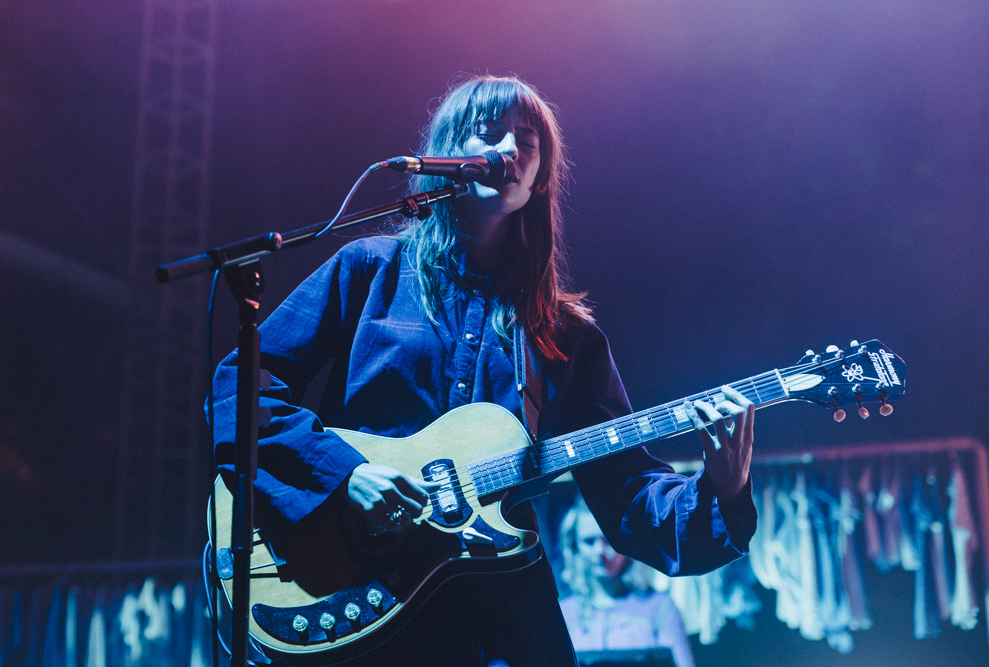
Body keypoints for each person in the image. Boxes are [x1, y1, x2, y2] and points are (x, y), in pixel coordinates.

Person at [210, 73, 757, 667]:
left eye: (527, 139)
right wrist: (345, 475)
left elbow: (628, 496)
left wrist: (721, 491)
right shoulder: (369, 270)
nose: (510, 150)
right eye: (487, 131)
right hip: (356, 593)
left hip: (497, 620)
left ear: (541, 174)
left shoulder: (565, 337)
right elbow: (241, 387)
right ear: (447, 152)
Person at [559, 499, 695, 667]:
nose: (599, 550)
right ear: (574, 547)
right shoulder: (562, 615)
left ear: (626, 542)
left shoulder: (660, 608)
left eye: (608, 540)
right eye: (589, 541)